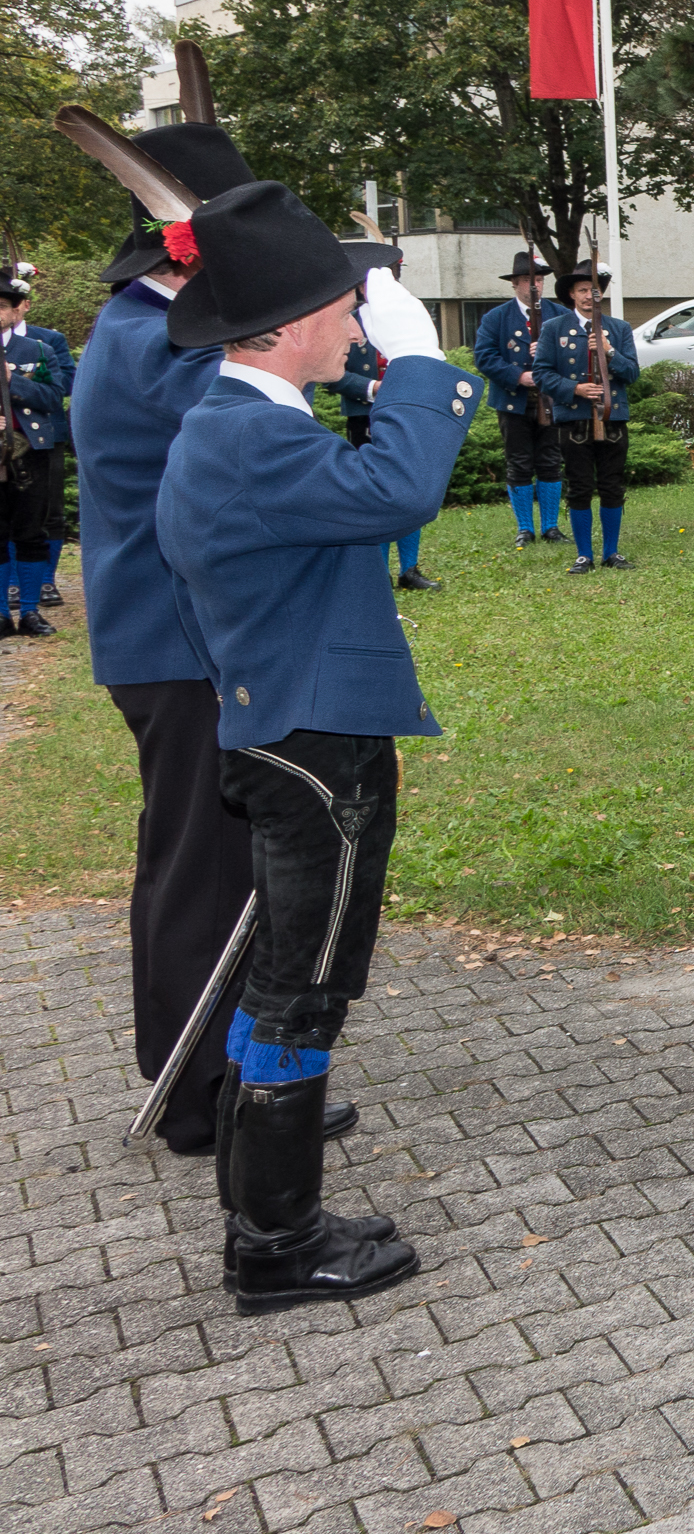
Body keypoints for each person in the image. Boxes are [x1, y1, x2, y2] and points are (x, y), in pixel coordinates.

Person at [154, 178, 471, 1312]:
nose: (357, 326)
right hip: (311, 747)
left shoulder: (249, 426)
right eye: (348, 309)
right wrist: (423, 363)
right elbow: (401, 487)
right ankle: (277, 1243)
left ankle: (268, 1221)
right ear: (288, 326)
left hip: (293, 728)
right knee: (305, 991)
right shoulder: (246, 436)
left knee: (285, 981)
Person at [57, 96, 297, 1157]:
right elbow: (261, 445)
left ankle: (226, 1067)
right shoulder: (160, 342)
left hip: (185, 639)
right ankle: (204, 1093)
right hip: (181, 642)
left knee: (214, 862)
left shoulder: (154, 328)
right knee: (203, 870)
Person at [536, 263, 641, 575]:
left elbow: (632, 373)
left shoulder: (618, 329)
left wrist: (609, 352)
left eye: (593, 290)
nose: (588, 296)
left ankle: (611, 551)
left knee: (612, 485)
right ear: (571, 294)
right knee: (580, 485)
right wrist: (575, 388)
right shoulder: (554, 328)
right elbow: (542, 374)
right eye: (582, 290)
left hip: (612, 417)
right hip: (574, 417)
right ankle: (584, 554)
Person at [326, 333, 440, 591]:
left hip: (407, 412)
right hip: (363, 415)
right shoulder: (348, 324)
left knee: (411, 486)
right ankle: (379, 572)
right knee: (374, 492)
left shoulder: (402, 324)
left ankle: (409, 570)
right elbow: (330, 374)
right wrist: (372, 388)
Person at [472, 250, 567, 548]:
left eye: (538, 279)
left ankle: (551, 526)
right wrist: (518, 376)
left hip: (551, 400)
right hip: (513, 400)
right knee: (519, 463)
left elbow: (574, 356)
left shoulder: (559, 315)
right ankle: (525, 528)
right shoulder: (496, 318)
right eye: (527, 280)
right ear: (514, 283)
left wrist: (551, 357)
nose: (534, 285)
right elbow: (484, 357)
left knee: (551, 462)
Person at [1, 273, 71, 637]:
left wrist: (16, 382)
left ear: (16, 311)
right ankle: (0, 614)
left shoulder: (37, 351)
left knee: (30, 531)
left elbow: (51, 398)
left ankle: (29, 611)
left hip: (30, 453)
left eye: (0, 307)